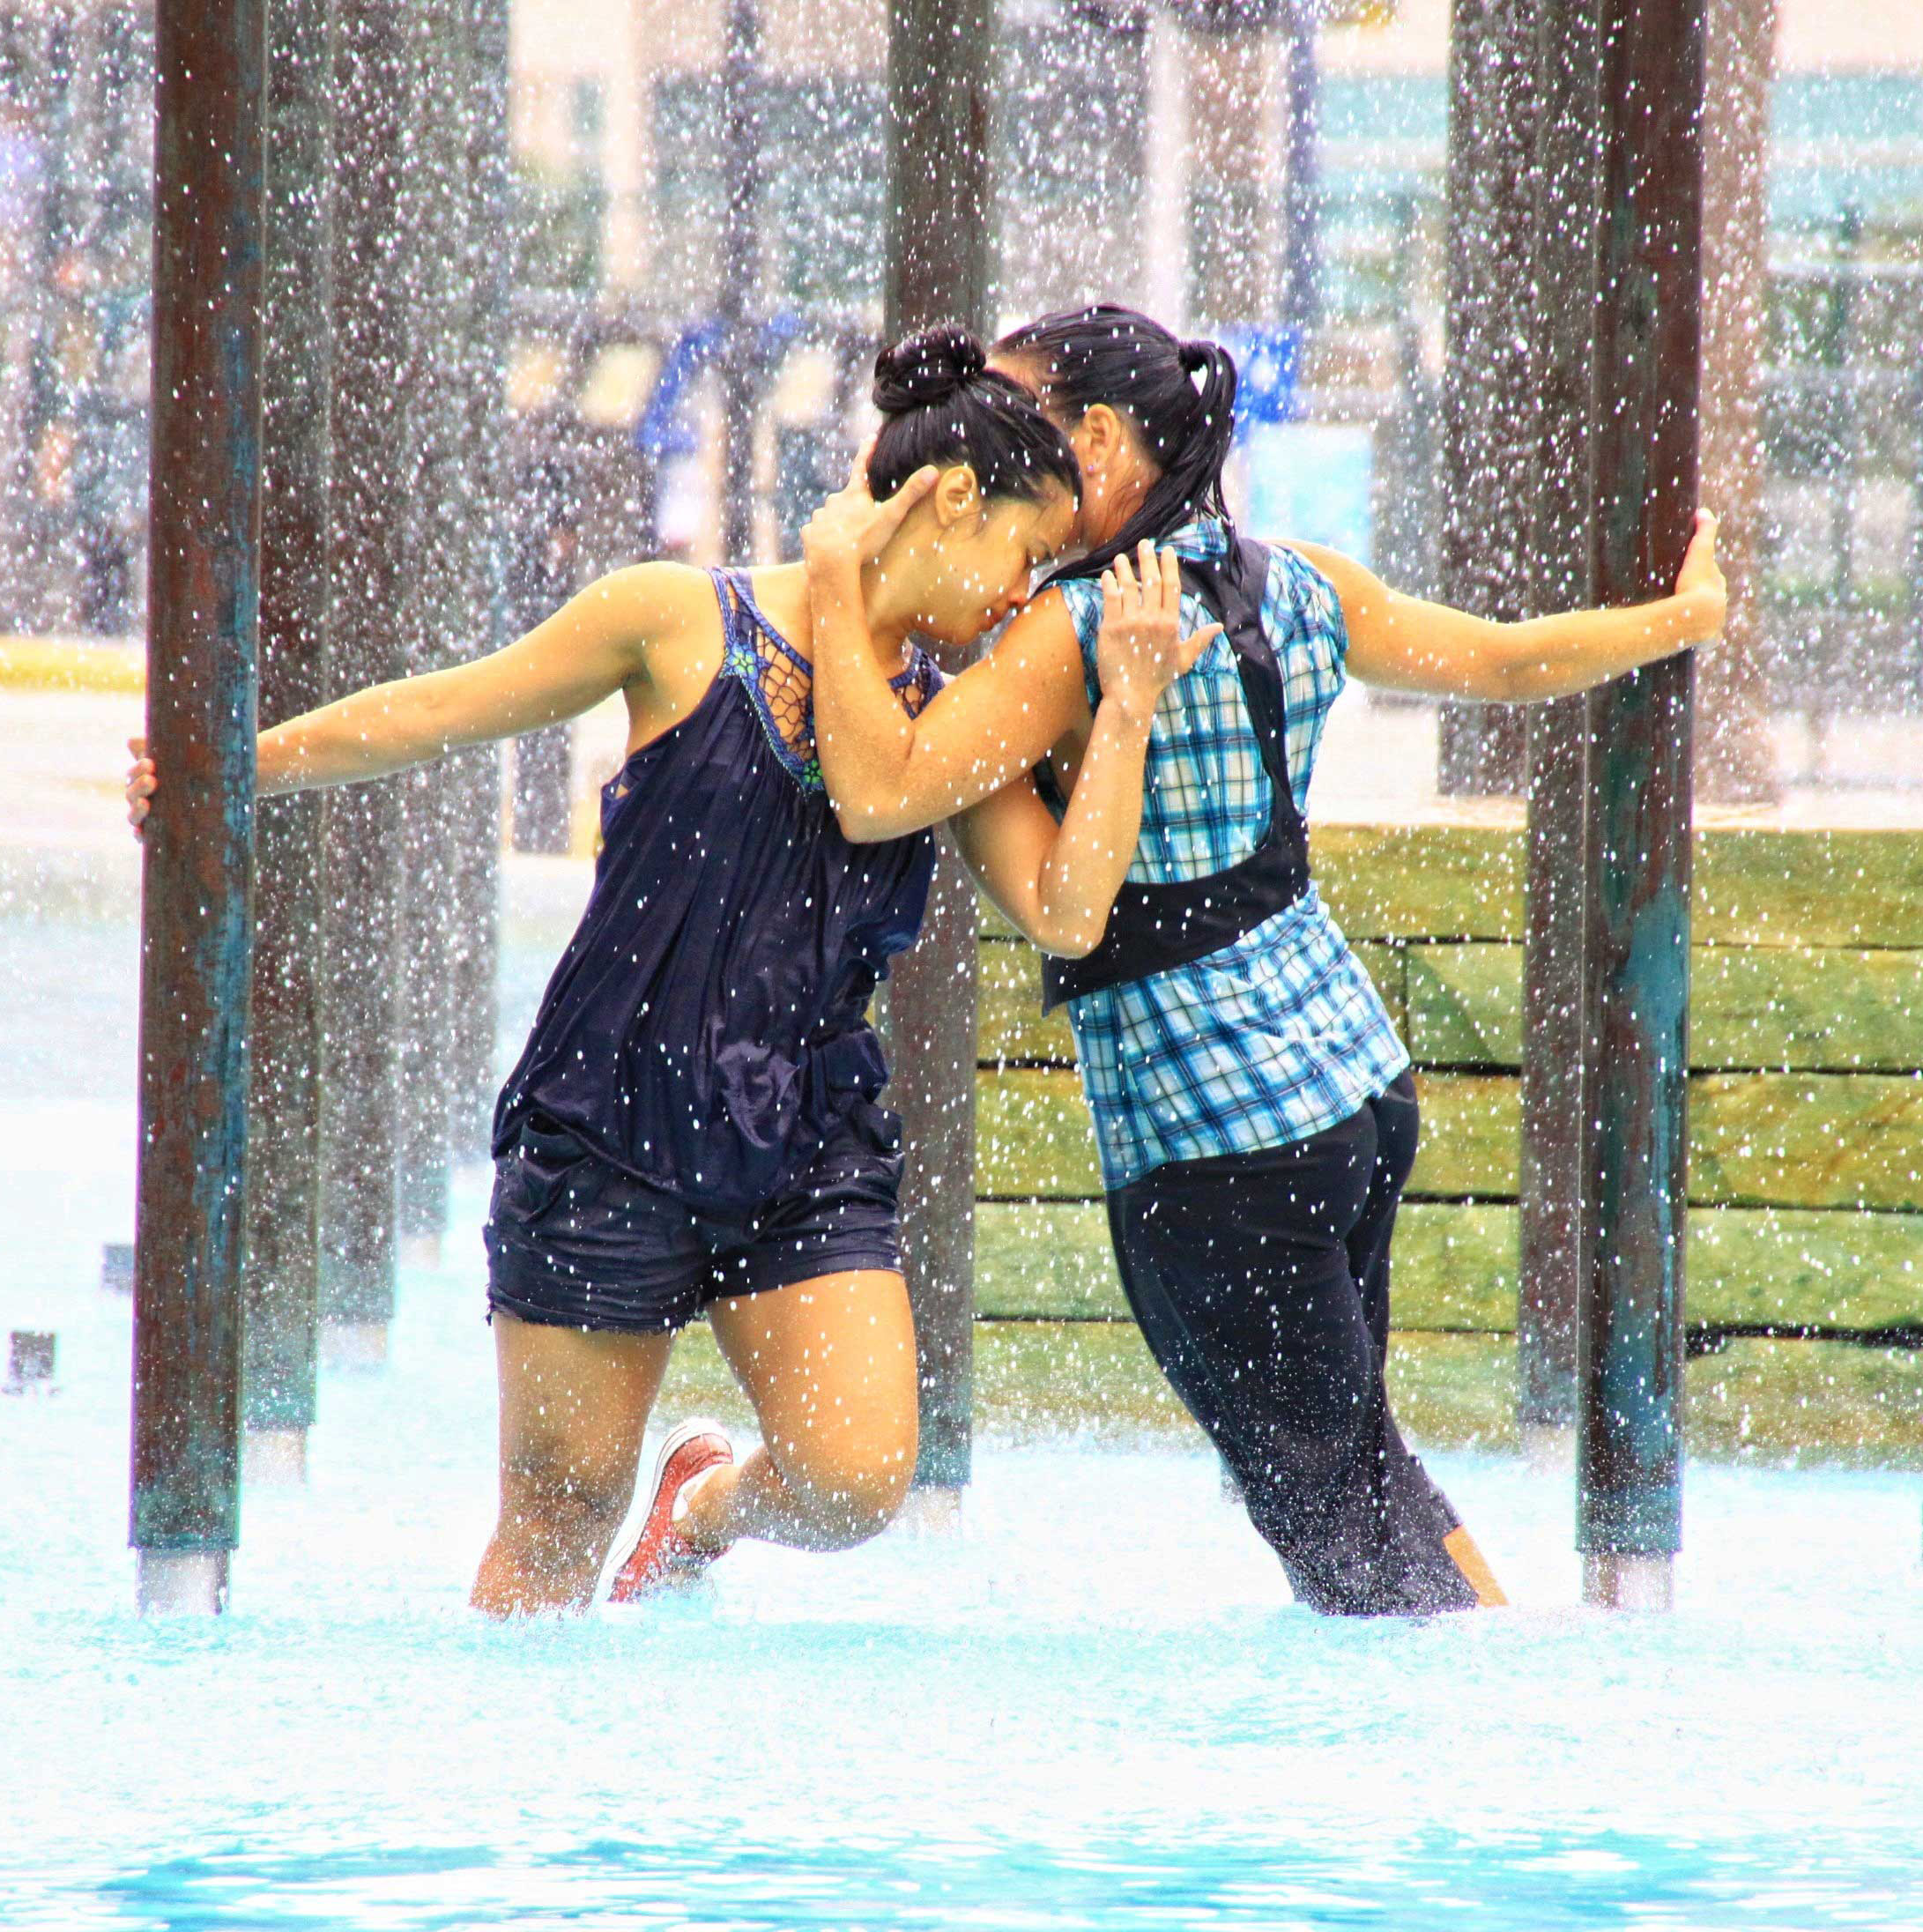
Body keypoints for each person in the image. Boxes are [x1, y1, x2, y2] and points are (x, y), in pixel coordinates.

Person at [124, 324, 1210, 1617]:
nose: (1026, 598)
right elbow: (450, 707)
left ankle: (698, 1515)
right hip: (612, 1121)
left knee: (857, 1478)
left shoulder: (938, 722)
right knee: (554, 1527)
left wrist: (1130, 709)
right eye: (1027, 556)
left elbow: (1067, 911)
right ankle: (527, 1802)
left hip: (803, 1135)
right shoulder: (676, 619)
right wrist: (236, 768)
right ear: (957, 500)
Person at [801, 302, 1727, 1616]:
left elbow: (881, 788)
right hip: (1351, 1091)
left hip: (1214, 1138)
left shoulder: (1074, 636)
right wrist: (1676, 621)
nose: (994, 444)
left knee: (1342, 1531)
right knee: (1359, 1468)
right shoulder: (1292, 578)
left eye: (1025, 420)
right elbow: (1510, 664)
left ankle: (1490, 1757)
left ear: (1104, 442)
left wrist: (839, 587)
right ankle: (1508, 1682)